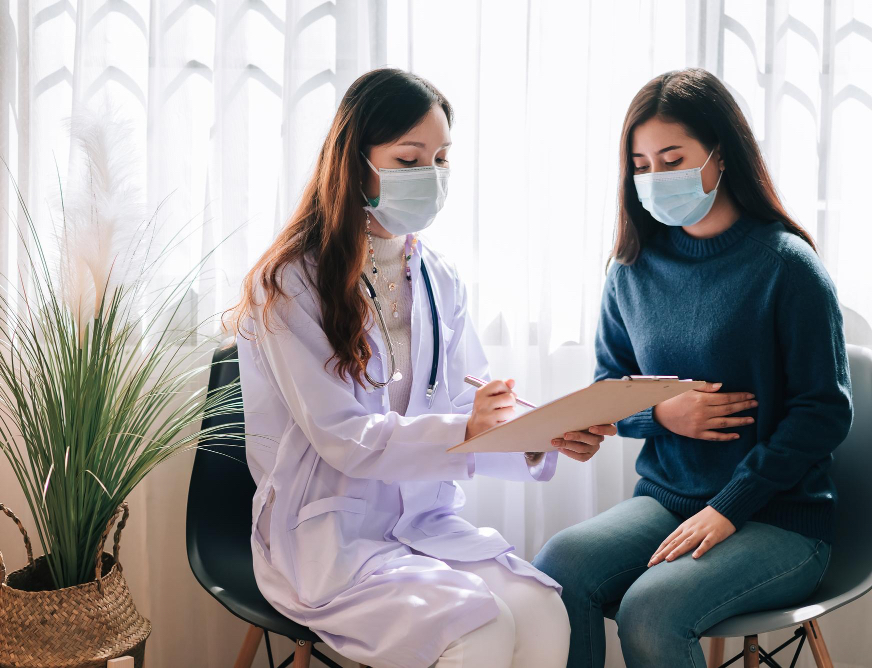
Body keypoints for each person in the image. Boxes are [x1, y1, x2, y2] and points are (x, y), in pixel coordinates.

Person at [225, 68, 615, 668]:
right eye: (409, 160)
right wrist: (468, 429)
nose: (430, 177)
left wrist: (541, 435)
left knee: (541, 606)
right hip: (331, 538)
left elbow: (470, 408)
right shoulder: (288, 284)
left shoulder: (438, 278)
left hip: (422, 521)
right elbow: (343, 438)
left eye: (440, 159)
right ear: (355, 163)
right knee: (477, 627)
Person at [532, 68, 853, 667]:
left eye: (672, 158)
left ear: (719, 155)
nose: (655, 177)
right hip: (667, 501)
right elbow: (611, 391)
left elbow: (824, 412)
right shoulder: (631, 269)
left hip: (779, 518)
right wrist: (661, 416)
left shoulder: (787, 266)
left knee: (651, 608)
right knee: (556, 569)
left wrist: (730, 505)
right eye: (642, 163)